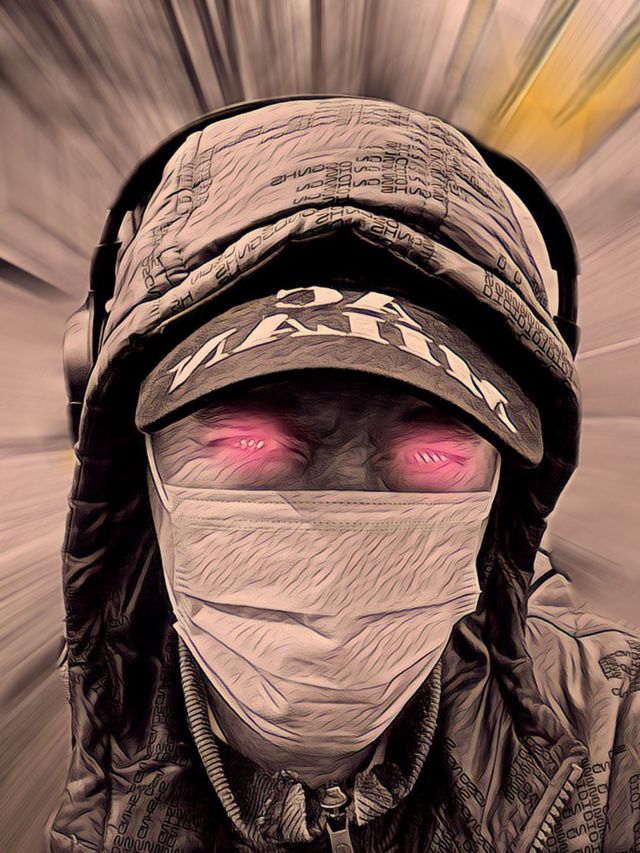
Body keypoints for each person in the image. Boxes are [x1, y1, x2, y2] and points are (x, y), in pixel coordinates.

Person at [51, 97, 640, 852]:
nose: (339, 537)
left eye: (431, 454)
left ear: (506, 496)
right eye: (251, 442)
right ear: (139, 477)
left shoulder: (611, 726)